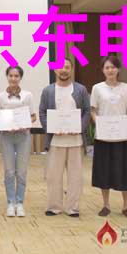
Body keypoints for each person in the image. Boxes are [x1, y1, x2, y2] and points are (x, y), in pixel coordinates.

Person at [39, 57, 91, 217]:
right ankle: (54, 206)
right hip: (56, 140)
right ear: (55, 70)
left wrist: (79, 127)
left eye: (67, 67)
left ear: (71, 69)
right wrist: (51, 128)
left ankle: (72, 208)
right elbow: (42, 112)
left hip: (75, 140)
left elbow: (87, 111)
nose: (64, 70)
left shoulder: (80, 89)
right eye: (60, 67)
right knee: (53, 176)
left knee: (75, 176)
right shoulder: (48, 91)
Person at [90, 56, 127, 218]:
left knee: (125, 170)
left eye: (113, 67)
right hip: (103, 136)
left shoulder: (126, 88)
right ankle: (106, 205)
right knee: (104, 170)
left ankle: (126, 206)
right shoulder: (97, 88)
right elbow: (93, 110)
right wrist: (98, 124)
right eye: (107, 68)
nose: (110, 70)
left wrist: (126, 125)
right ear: (103, 70)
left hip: (122, 136)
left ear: (118, 69)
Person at [0, 65, 36, 217]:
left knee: (21, 171)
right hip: (6, 136)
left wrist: (25, 123)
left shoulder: (28, 95)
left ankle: (19, 203)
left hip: (23, 136)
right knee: (9, 171)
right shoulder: (0, 97)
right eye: (11, 76)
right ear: (7, 77)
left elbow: (33, 116)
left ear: (20, 78)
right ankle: (10, 202)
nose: (13, 78)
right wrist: (3, 122)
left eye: (16, 76)